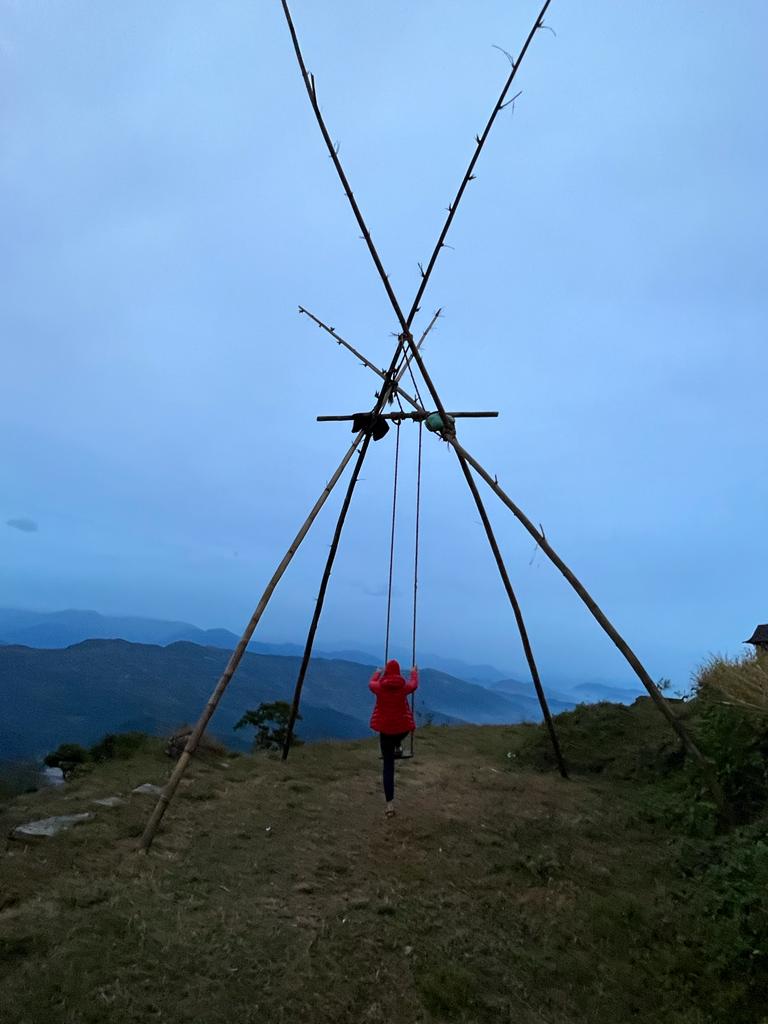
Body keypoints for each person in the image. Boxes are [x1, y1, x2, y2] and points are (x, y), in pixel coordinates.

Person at [369, 659, 418, 817]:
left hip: (385, 733)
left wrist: (378, 672)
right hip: (401, 730)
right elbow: (414, 684)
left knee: (388, 767)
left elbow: (371, 683)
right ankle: (398, 744)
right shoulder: (403, 688)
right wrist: (414, 671)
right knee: (402, 733)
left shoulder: (379, 688)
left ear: (388, 672)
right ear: (398, 672)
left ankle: (389, 805)